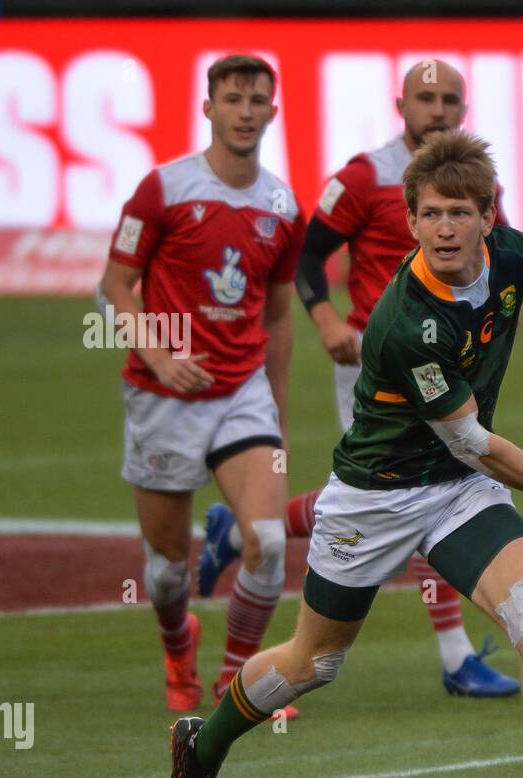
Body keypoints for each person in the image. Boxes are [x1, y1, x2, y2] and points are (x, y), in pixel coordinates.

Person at [168, 130, 523, 778]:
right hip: (376, 495)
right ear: (413, 220)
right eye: (430, 215)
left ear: (490, 216)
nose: (446, 228)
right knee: (313, 663)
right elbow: (472, 441)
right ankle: (201, 753)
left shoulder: (516, 256)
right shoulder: (406, 322)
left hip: (458, 493)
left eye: (461, 212)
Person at [198, 60, 520, 699]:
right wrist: (324, 321)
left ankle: (237, 530)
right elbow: (310, 255)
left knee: (413, 496)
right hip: (380, 366)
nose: (438, 109)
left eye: (450, 99)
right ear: (399, 104)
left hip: (453, 365)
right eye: (425, 97)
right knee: (428, 491)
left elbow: (501, 259)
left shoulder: (474, 186)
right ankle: (455, 657)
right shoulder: (364, 175)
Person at [99, 54, 305, 716]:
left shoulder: (282, 206)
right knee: (164, 572)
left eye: (257, 100)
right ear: (208, 108)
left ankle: (237, 681)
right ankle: (176, 642)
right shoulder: (162, 188)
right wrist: (158, 357)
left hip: (241, 392)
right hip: (163, 396)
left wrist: (275, 407)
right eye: (233, 98)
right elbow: (114, 286)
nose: (245, 111)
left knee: (269, 542)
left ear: (273, 111)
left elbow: (277, 313)